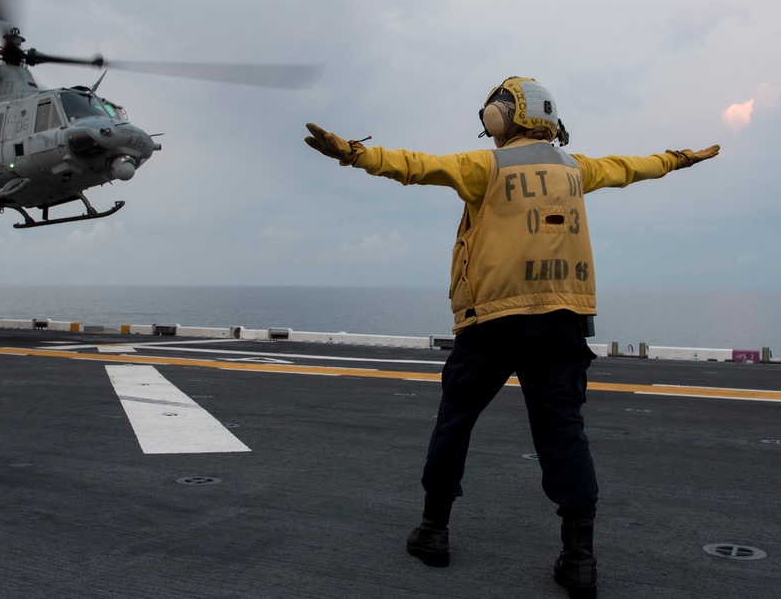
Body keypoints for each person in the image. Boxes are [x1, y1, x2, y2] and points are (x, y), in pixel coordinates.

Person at [303, 76, 719, 599]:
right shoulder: (576, 168)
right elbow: (633, 168)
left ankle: (434, 531)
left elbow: (414, 165)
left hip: (492, 322)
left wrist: (354, 153)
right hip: (562, 321)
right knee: (563, 434)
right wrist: (679, 157)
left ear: (501, 116)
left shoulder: (488, 166)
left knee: (455, 422)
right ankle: (579, 557)